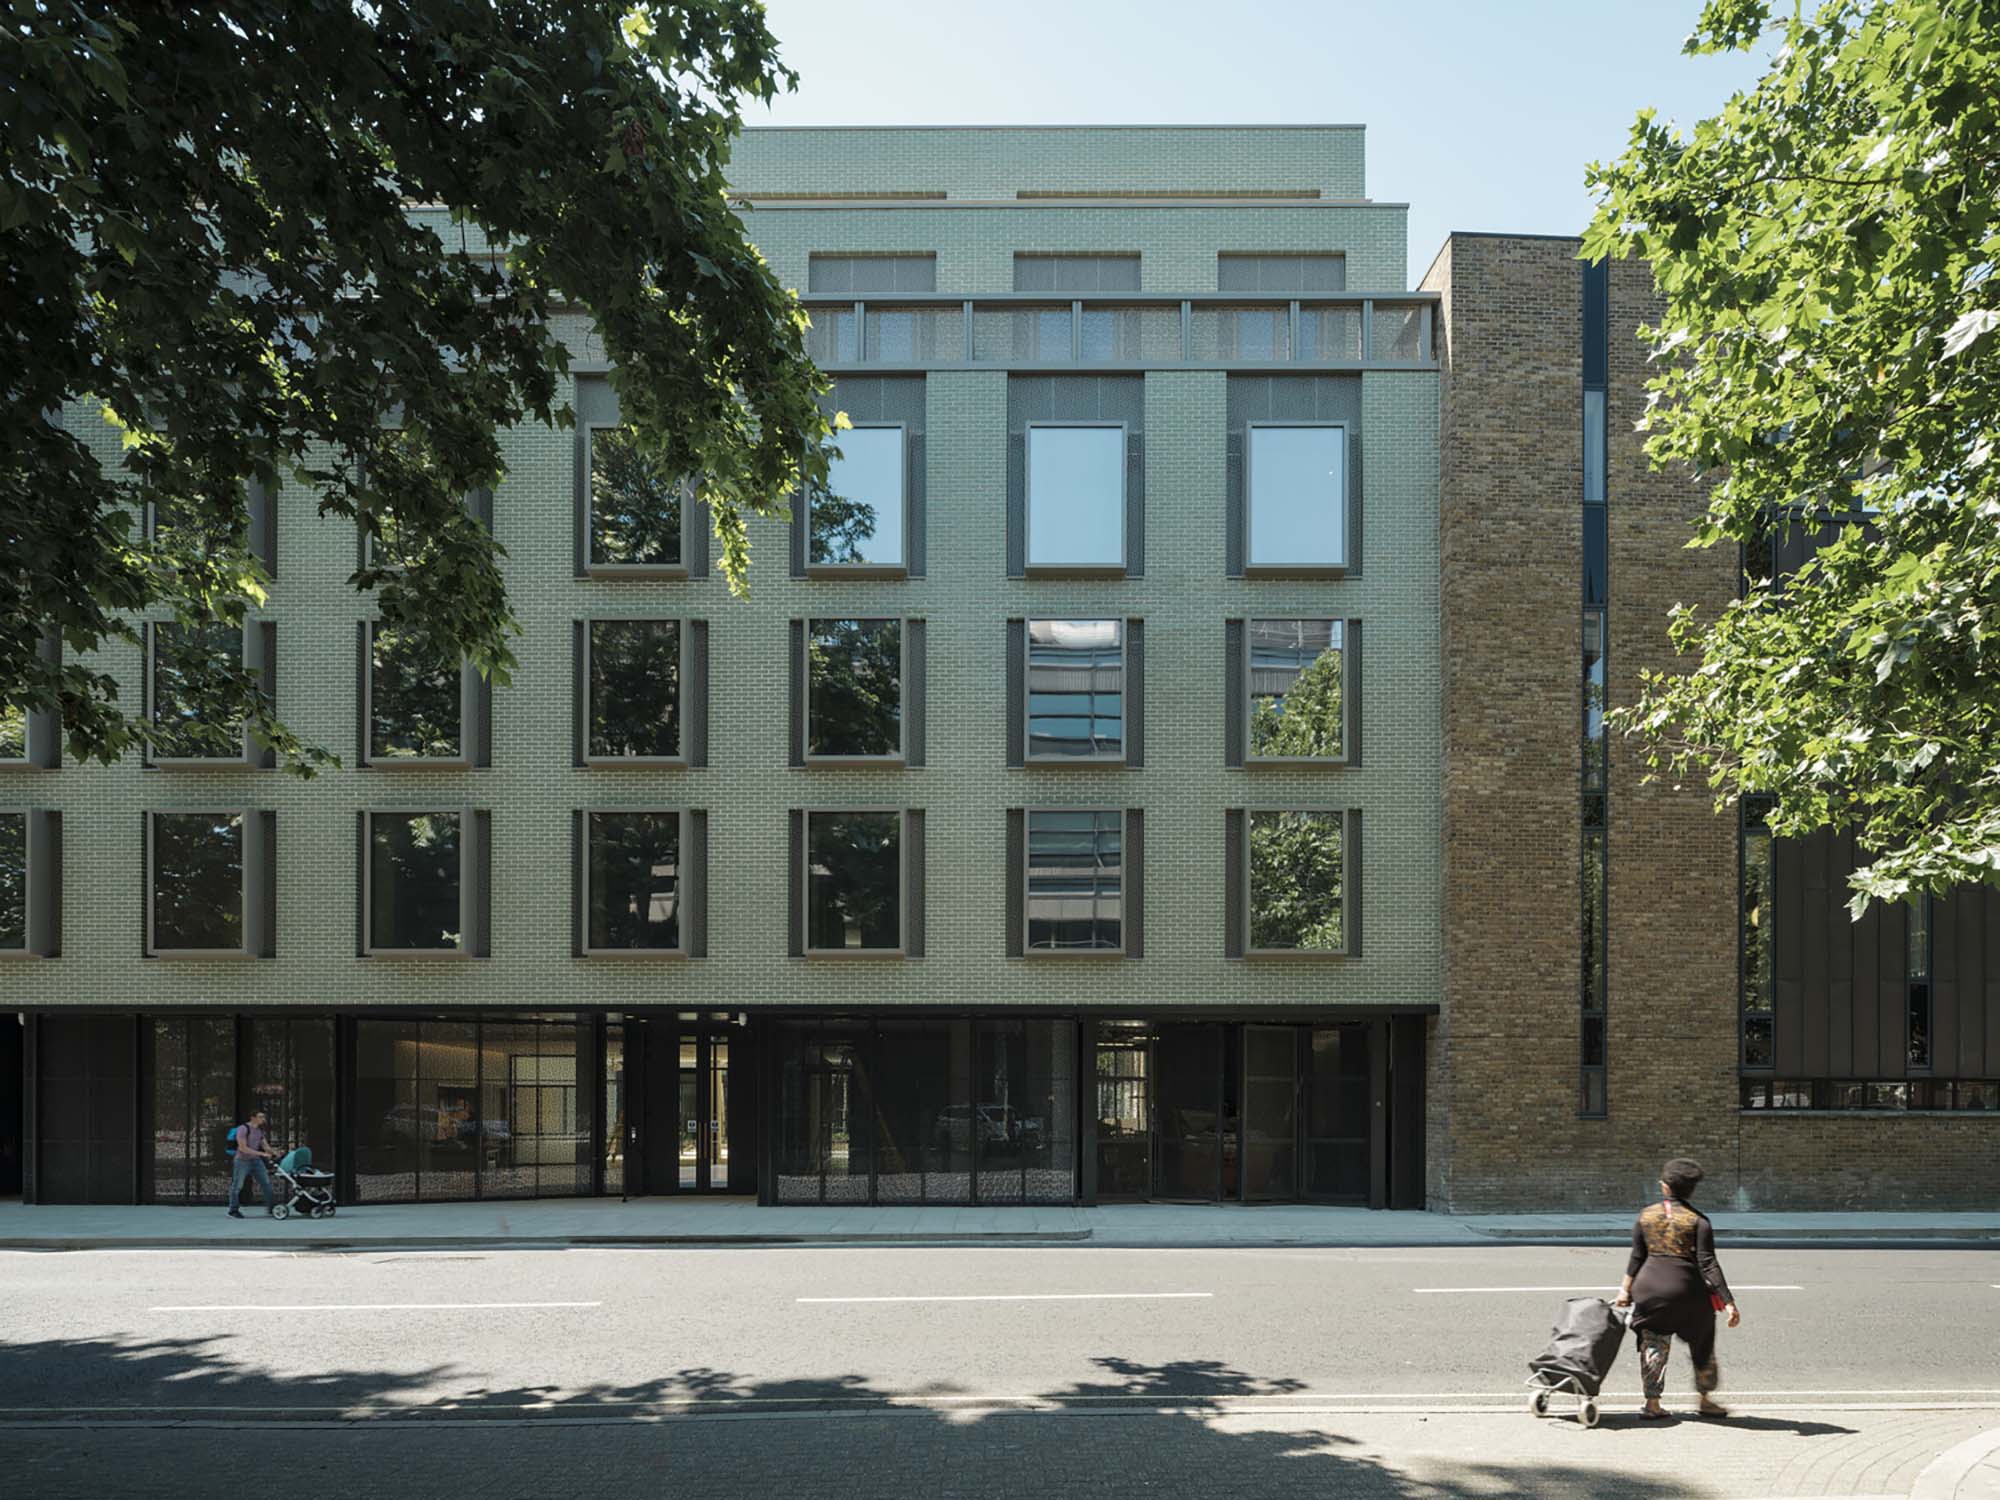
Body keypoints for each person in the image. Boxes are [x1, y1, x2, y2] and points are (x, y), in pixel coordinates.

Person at [1614, 1157, 1741, 1419]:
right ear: (1691, 1190)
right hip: (1689, 1294)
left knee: (1653, 1342)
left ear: (1664, 1187)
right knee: (1702, 1342)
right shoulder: (1699, 1221)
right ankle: (1705, 1400)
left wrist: (1624, 1291)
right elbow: (1708, 1263)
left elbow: (1637, 1257)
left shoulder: (1646, 1216)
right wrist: (1728, 1301)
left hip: (1648, 1290)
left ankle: (1652, 1404)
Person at [228, 1109, 279, 1219]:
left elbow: (265, 1145)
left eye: (263, 1117)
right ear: (253, 1118)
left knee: (266, 1183)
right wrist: (262, 1154)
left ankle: (272, 1208)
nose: (263, 1119)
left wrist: (275, 1153)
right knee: (237, 1185)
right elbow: (243, 1148)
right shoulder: (243, 1129)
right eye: (260, 1117)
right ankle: (233, 1210)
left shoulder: (259, 1130)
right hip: (242, 1161)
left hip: (256, 1161)